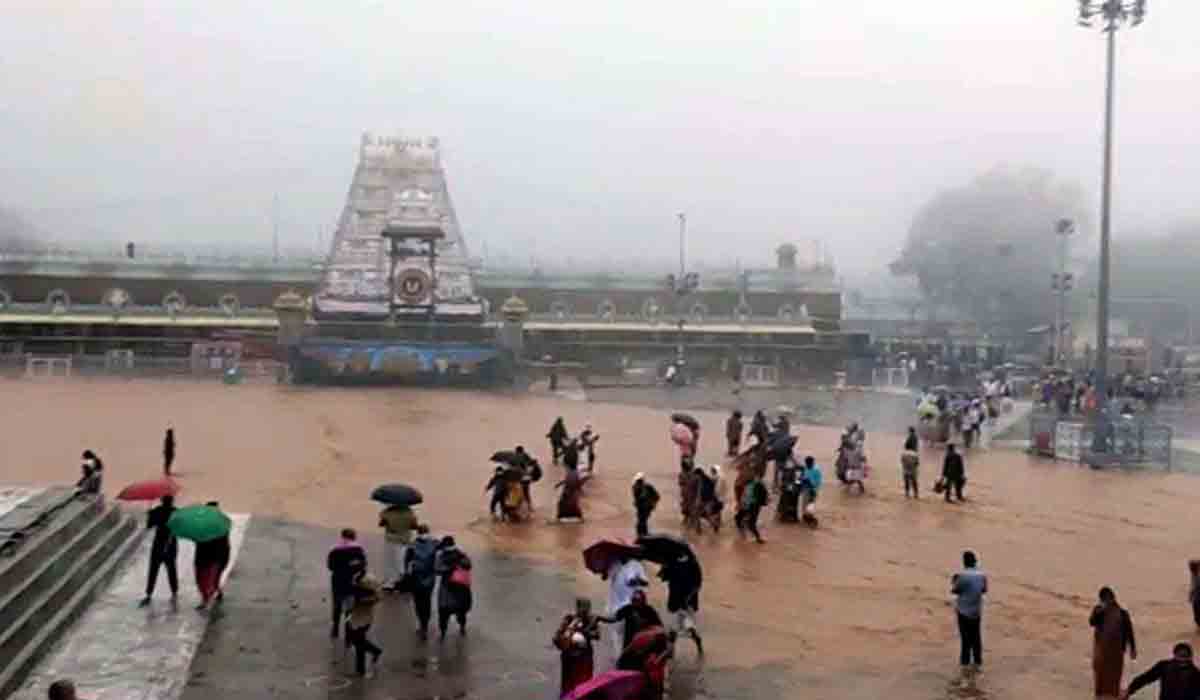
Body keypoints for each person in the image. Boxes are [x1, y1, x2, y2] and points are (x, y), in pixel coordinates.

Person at [1092, 586, 1138, 699]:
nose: (1108, 601)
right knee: (1100, 674)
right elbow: (1092, 622)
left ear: (1113, 598)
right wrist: (1100, 611)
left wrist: (1132, 648)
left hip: (1117, 652)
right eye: (1105, 599)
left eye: (1109, 598)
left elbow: (1129, 631)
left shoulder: (1123, 613)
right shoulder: (1099, 610)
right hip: (1101, 650)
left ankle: (1113, 695)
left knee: (1115, 675)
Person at [604, 555, 649, 659]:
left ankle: (628, 659)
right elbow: (605, 576)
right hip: (615, 606)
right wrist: (607, 568)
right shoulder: (614, 563)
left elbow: (645, 582)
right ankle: (618, 660)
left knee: (631, 635)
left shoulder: (636, 564)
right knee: (616, 636)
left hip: (631, 607)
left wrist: (637, 581)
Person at [554, 598, 600, 697]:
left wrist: (585, 631)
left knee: (584, 683)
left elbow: (597, 635)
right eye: (582, 608)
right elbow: (558, 635)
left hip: (584, 657)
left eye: (587, 608)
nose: (585, 610)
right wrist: (571, 628)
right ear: (577, 608)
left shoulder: (592, 619)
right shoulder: (569, 618)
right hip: (569, 657)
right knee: (568, 684)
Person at [1121, 642, 1200, 700]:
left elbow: (1145, 678)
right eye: (1180, 661)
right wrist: (1129, 690)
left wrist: (1129, 690)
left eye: (1185, 661)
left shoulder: (1195, 674)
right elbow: (1145, 678)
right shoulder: (1164, 666)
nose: (1182, 664)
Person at [326, 528, 367, 639]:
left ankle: (335, 629)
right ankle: (348, 633)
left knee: (337, 605)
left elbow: (330, 566)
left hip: (337, 581)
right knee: (350, 607)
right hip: (352, 581)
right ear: (354, 537)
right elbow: (363, 566)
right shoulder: (359, 550)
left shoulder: (335, 550)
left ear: (342, 536)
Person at [600, 589, 663, 659]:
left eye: (637, 600)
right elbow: (614, 618)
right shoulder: (628, 609)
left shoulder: (649, 611)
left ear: (643, 600)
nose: (634, 602)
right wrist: (601, 618)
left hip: (644, 647)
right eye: (633, 599)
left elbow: (659, 627)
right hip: (629, 646)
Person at [660, 554, 704, 655]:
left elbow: (698, 584)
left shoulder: (692, 563)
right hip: (678, 601)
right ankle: (671, 653)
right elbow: (664, 577)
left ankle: (697, 644)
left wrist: (688, 598)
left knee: (684, 627)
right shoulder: (672, 562)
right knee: (675, 628)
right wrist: (665, 567)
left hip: (686, 602)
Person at [951, 550, 988, 669]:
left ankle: (965, 667)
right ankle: (978, 664)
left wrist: (954, 581)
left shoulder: (962, 576)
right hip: (976, 611)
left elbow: (955, 591)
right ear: (975, 562)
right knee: (976, 638)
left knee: (965, 640)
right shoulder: (982, 575)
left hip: (964, 612)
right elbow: (984, 590)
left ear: (964, 562)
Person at [344, 568, 383, 677]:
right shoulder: (354, 577)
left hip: (365, 615)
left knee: (359, 641)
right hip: (355, 614)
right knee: (356, 640)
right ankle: (375, 651)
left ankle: (360, 670)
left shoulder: (370, 580)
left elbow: (378, 597)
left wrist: (362, 600)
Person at [141, 494, 179, 607]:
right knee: (171, 569)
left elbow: (148, 526)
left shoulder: (156, 511)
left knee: (153, 569)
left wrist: (150, 515)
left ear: (162, 501)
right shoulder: (176, 512)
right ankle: (174, 591)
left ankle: (149, 593)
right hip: (171, 544)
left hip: (158, 544)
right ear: (172, 501)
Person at [193, 503, 231, 611]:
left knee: (207, 579)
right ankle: (214, 592)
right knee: (204, 579)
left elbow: (224, 544)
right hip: (206, 556)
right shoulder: (222, 523)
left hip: (212, 557)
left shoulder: (221, 525)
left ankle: (205, 599)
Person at [435, 536, 473, 638]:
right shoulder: (461, 554)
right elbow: (468, 566)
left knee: (443, 612)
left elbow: (437, 570)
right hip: (461, 589)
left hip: (446, 588)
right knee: (461, 610)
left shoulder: (441, 555)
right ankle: (462, 628)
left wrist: (448, 568)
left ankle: (443, 633)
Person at [405, 525, 439, 639]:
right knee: (427, 601)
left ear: (417, 532)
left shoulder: (412, 545)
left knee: (418, 602)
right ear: (428, 532)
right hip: (430, 578)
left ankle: (422, 624)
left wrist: (406, 575)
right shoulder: (434, 543)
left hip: (416, 578)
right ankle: (425, 624)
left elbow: (406, 563)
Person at [378, 504, 418, 591]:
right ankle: (401, 582)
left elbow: (381, 524)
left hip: (391, 539)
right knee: (401, 561)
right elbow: (414, 526)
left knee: (389, 561)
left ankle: (389, 583)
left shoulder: (388, 511)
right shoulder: (409, 512)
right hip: (404, 539)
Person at [735, 472, 768, 543]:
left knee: (751, 523)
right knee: (738, 518)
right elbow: (744, 495)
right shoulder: (747, 484)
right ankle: (742, 532)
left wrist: (763, 502)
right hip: (746, 505)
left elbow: (764, 494)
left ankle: (758, 538)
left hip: (754, 506)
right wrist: (740, 504)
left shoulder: (758, 484)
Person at [632, 473, 660, 538]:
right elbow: (637, 498)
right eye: (637, 482)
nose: (638, 484)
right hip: (641, 507)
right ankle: (642, 536)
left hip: (646, 507)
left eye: (639, 482)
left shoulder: (648, 487)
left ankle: (643, 537)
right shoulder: (635, 487)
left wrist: (652, 504)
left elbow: (657, 496)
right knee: (641, 523)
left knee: (642, 522)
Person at [799, 456, 822, 526]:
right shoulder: (805, 468)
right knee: (804, 504)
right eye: (807, 464)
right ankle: (806, 518)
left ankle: (810, 519)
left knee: (810, 505)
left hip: (813, 490)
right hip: (805, 489)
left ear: (812, 463)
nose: (808, 465)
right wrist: (801, 480)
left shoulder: (816, 470)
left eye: (809, 464)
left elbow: (818, 482)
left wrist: (810, 483)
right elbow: (802, 477)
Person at [1190, 561, 1200, 630]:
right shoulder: (1194, 576)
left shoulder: (1196, 577)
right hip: (1196, 599)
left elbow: (1194, 588)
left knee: (1197, 617)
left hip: (1197, 599)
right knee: (1197, 618)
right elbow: (1193, 588)